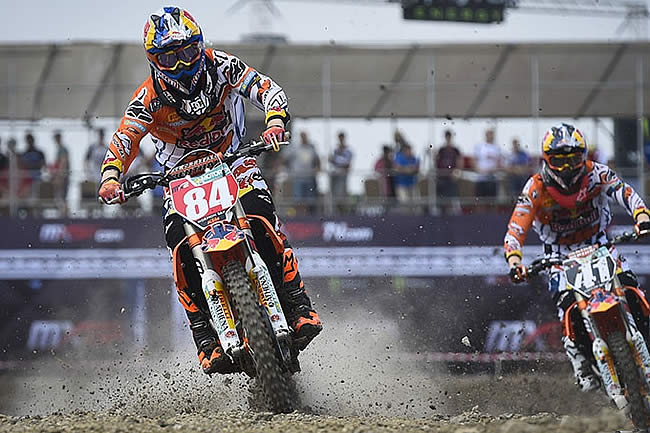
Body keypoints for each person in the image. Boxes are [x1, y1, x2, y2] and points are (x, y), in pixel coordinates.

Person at [97, 6, 321, 376]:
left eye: (188, 51)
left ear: (200, 45)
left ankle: (298, 307)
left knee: (263, 217)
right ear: (154, 61)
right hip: (180, 178)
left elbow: (266, 88)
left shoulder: (222, 66)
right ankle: (206, 338)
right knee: (180, 248)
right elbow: (125, 137)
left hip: (233, 160)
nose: (183, 64)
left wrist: (275, 121)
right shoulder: (148, 98)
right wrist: (110, 176)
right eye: (170, 57)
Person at [504, 123, 650, 392]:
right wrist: (515, 262)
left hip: (600, 245)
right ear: (547, 160)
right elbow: (516, 228)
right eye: (559, 160)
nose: (566, 167)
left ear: (582, 156)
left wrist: (642, 217)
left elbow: (626, 193)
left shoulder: (597, 173)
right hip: (559, 257)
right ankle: (580, 360)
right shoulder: (535, 187)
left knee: (631, 289)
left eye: (572, 159)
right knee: (568, 307)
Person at [287, 131, 320, 213]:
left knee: (309, 199)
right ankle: (299, 215)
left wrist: (317, 169)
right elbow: (285, 158)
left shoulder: (311, 147)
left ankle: (308, 215)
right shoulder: (295, 148)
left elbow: (317, 160)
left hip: (309, 177)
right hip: (298, 177)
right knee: (298, 199)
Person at [435, 130, 461, 212]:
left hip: (452, 177)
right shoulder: (441, 149)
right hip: (442, 177)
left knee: (453, 195)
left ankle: (455, 210)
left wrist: (456, 172)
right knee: (441, 196)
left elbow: (459, 162)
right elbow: (437, 162)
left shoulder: (455, 149)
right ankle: (441, 210)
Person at [473, 128, 501, 198]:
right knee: (480, 198)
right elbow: (474, 160)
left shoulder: (497, 148)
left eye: (492, 134)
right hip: (481, 178)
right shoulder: (479, 146)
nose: (490, 136)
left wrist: (493, 170)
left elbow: (499, 162)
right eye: (489, 134)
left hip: (492, 177)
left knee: (492, 199)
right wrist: (479, 170)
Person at [329, 131, 353, 204]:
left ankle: (343, 206)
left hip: (343, 174)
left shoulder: (348, 150)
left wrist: (337, 160)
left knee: (342, 191)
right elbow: (331, 160)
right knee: (334, 192)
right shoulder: (335, 150)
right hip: (335, 174)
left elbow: (347, 163)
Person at [51, 131, 70, 202]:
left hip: (62, 176)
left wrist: (59, 176)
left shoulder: (62, 149)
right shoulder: (59, 149)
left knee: (62, 197)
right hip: (61, 176)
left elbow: (63, 162)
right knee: (60, 197)